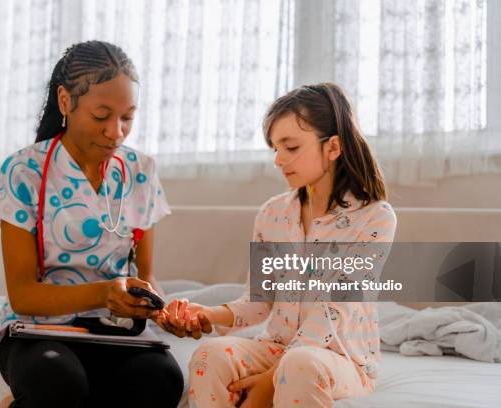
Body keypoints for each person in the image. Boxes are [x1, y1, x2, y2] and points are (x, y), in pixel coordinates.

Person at [156, 83, 397, 407]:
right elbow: (258, 302)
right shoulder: (272, 214)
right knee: (209, 355)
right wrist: (209, 314)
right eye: (275, 148)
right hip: (276, 346)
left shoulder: (374, 218)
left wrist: (269, 382)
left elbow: (335, 309)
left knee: (299, 366)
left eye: (291, 147)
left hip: (340, 360)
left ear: (333, 147)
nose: (278, 160)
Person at [0, 40, 183, 408]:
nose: (116, 132)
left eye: (127, 117)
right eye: (101, 115)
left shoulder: (141, 171)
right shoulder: (23, 171)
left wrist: (163, 309)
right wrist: (104, 293)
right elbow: (23, 293)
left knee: (161, 380)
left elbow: (148, 275)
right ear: (65, 102)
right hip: (39, 330)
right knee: (57, 383)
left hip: (115, 331)